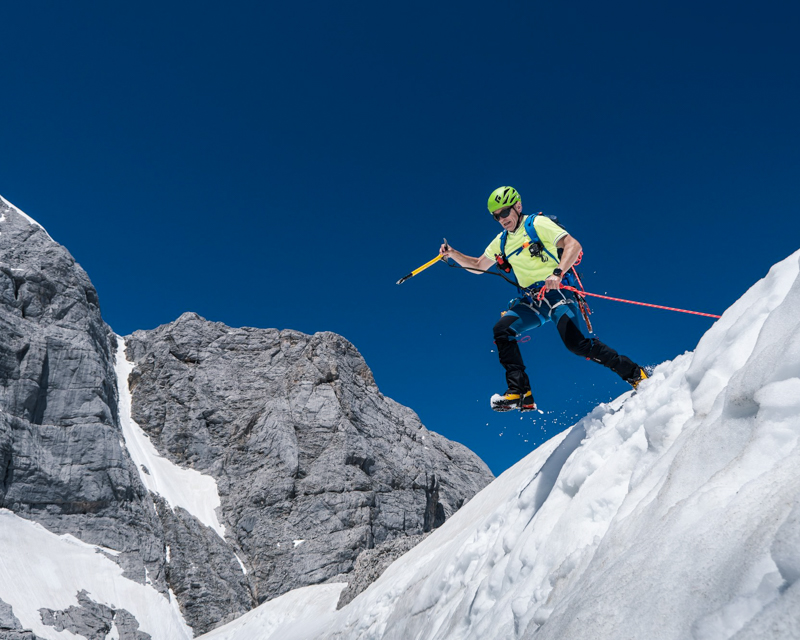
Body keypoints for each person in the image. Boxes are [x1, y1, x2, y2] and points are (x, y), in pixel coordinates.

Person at [439, 186, 648, 412]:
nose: (501, 219)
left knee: (576, 345)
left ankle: (636, 373)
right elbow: (479, 266)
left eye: (505, 212)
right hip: (533, 300)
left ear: (518, 206)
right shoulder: (501, 242)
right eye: (496, 215)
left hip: (558, 292)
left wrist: (557, 273)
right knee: (502, 330)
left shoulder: (536, 224)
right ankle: (520, 393)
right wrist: (453, 254)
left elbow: (573, 246)